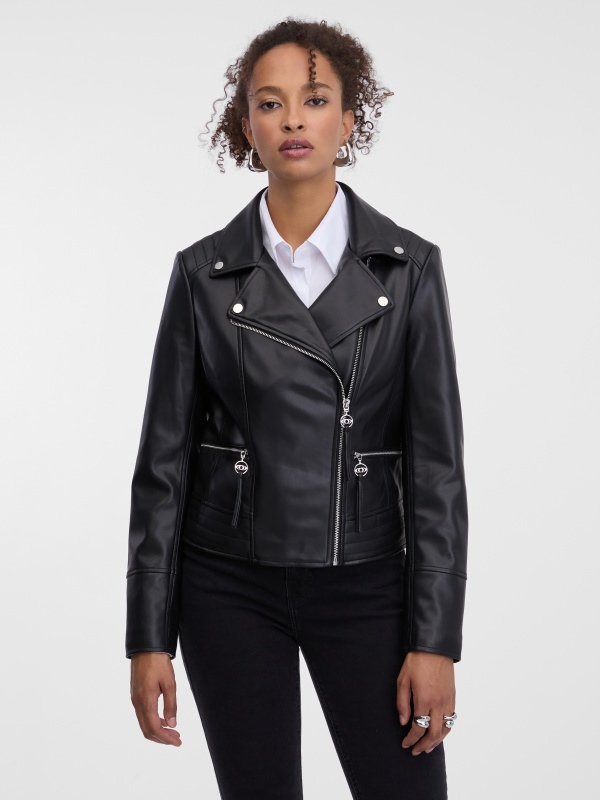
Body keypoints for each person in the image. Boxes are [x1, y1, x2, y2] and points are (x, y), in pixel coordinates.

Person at [126, 17, 468, 800]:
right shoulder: (203, 274)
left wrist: (437, 639)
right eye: (270, 103)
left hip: (368, 583)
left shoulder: (409, 270)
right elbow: (162, 466)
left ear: (348, 120)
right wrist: (148, 636)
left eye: (314, 100)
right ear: (247, 126)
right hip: (226, 585)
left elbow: (437, 470)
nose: (293, 120)